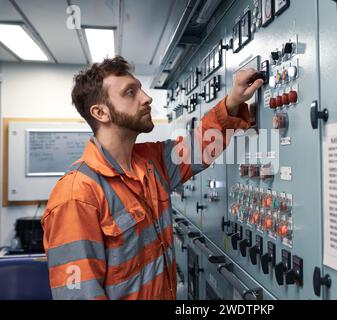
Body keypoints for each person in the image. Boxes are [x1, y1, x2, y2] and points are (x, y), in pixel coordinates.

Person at [41, 56, 263, 300]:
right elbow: (78, 295)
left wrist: (234, 100)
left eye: (141, 89)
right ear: (100, 112)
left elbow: (201, 146)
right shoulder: (76, 196)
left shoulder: (150, 162)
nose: (146, 98)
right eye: (130, 92)